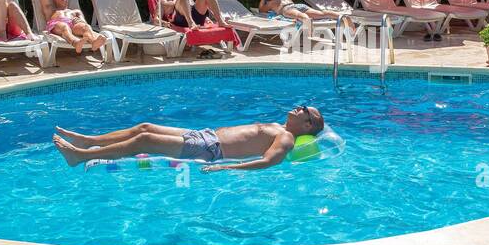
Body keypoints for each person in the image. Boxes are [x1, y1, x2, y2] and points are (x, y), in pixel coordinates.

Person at [53, 105, 324, 173]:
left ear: (307, 124)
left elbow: (268, 161)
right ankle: (90, 141)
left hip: (210, 149)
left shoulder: (286, 137)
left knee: (145, 139)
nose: (298, 108)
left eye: (304, 110)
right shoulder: (278, 125)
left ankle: (80, 156)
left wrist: (225, 167)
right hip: (205, 134)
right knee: (144, 126)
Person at [37, 0, 107, 54]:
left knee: (86, 27)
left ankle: (94, 42)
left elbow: (84, 23)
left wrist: (81, 22)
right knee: (64, 26)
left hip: (73, 26)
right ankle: (75, 43)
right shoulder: (50, 10)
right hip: (57, 26)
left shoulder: (75, 11)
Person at [259, 0, 341, 33]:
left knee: (301, 16)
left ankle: (309, 28)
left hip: (287, 9)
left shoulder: (271, 3)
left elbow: (261, 10)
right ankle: (341, 17)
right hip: (299, 6)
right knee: (323, 14)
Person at [158, 0, 225, 30]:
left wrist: (206, 19)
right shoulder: (164, 2)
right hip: (181, 20)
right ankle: (191, 23)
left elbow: (196, 8)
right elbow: (155, 19)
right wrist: (164, 23)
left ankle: (221, 21)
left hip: (197, 18)